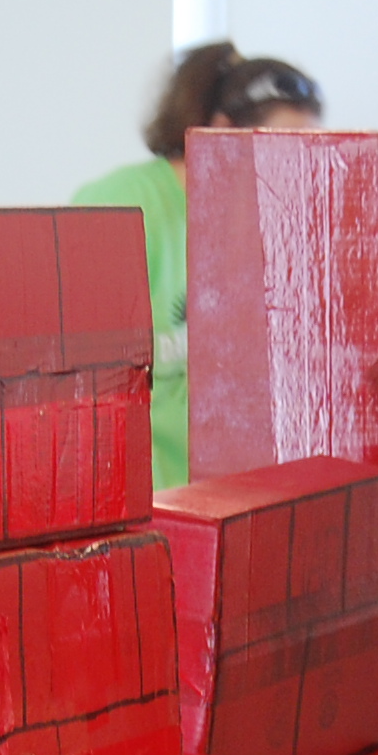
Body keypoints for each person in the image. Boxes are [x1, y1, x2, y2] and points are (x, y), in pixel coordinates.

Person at [72, 42, 325, 487]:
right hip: (142, 508)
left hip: (235, 502)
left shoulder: (273, 227)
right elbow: (82, 392)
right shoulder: (121, 205)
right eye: (282, 148)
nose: (295, 170)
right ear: (220, 134)